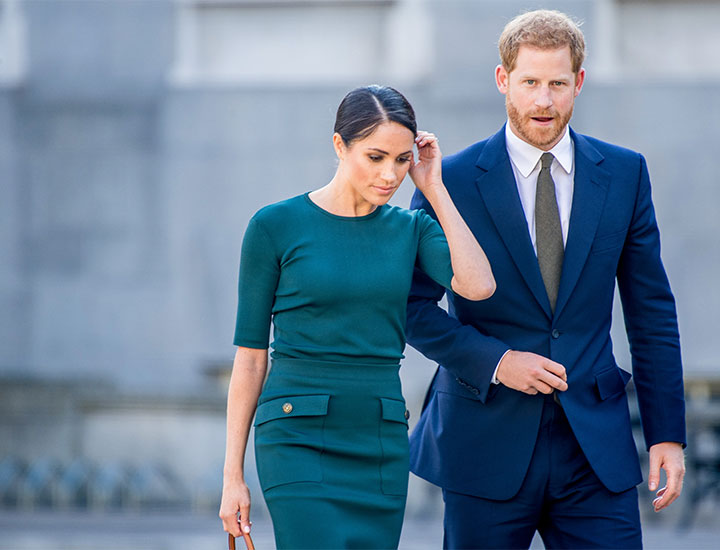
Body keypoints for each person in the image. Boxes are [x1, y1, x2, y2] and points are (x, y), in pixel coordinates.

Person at [406, 9, 686, 549]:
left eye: (558, 84)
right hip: (483, 441)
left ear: (578, 82)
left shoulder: (625, 174)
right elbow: (413, 308)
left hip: (594, 449)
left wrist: (667, 434)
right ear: (502, 79)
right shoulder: (452, 181)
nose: (543, 101)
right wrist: (497, 362)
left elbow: (651, 312)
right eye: (530, 82)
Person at [218, 85, 495, 549]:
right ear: (339, 145)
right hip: (295, 434)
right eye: (376, 156)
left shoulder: (411, 228)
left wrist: (435, 189)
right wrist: (232, 477)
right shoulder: (274, 226)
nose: (390, 175)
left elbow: (479, 285)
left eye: (402, 160)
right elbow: (249, 359)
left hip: (378, 437)